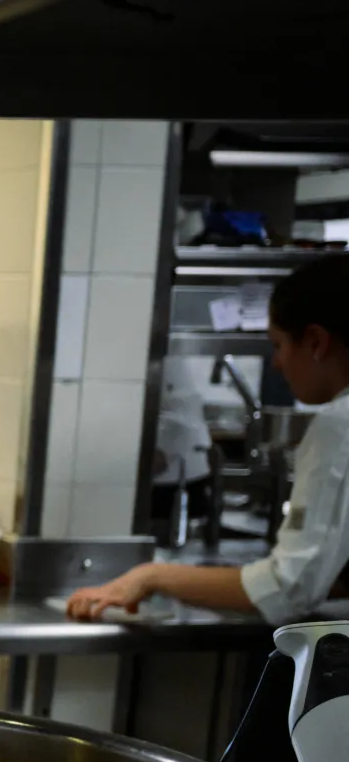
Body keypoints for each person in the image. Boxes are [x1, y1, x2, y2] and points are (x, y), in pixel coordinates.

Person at [69, 254, 349, 624]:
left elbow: (287, 590)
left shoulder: (339, 427)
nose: (277, 363)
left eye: (278, 345)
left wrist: (153, 576)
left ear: (315, 341)